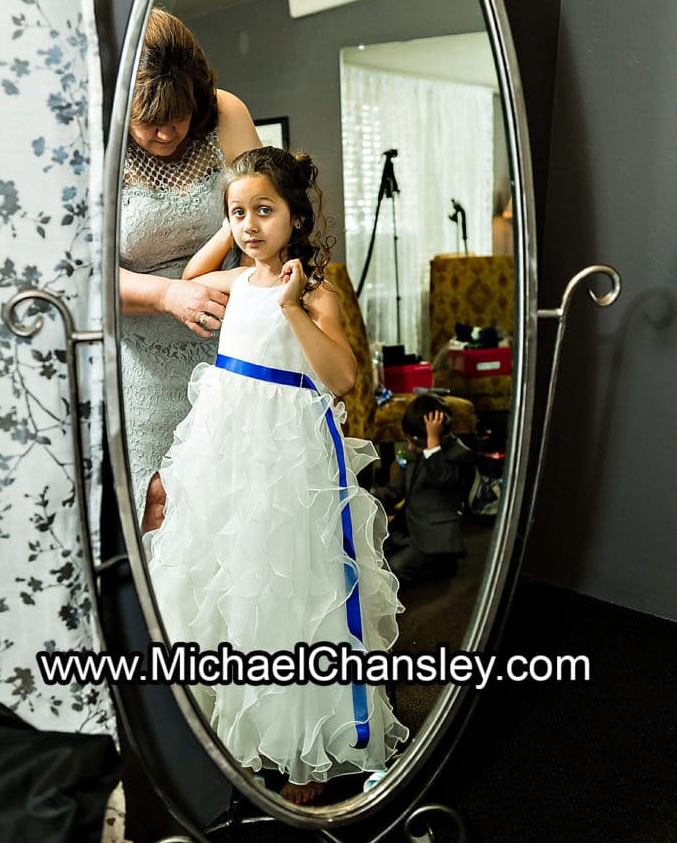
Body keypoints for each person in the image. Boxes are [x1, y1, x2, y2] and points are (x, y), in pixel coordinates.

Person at [145, 146, 407, 804]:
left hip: (285, 449)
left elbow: (342, 378)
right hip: (222, 444)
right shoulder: (238, 278)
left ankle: (302, 754)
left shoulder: (312, 291)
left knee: (289, 584)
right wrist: (230, 223)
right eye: (239, 213)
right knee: (228, 579)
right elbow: (195, 277)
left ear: (296, 214)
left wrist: (291, 305)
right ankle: (235, 734)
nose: (250, 225)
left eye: (265, 210)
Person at [119, 7, 262, 529]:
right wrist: (166, 295)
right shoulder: (96, 143)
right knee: (163, 503)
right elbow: (82, 274)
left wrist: (237, 282)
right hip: (142, 359)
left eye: (177, 117)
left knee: (236, 501)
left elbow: (266, 229)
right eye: (148, 122)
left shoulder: (227, 115)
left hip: (231, 340)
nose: (165, 133)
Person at [374, 394, 475, 586]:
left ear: (437, 436)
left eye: (415, 441)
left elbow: (443, 479)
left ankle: (443, 565)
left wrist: (432, 446)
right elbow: (396, 489)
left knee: (395, 568)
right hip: (411, 528)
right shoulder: (416, 451)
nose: (410, 446)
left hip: (435, 537)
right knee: (375, 556)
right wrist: (366, 497)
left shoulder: (460, 455)